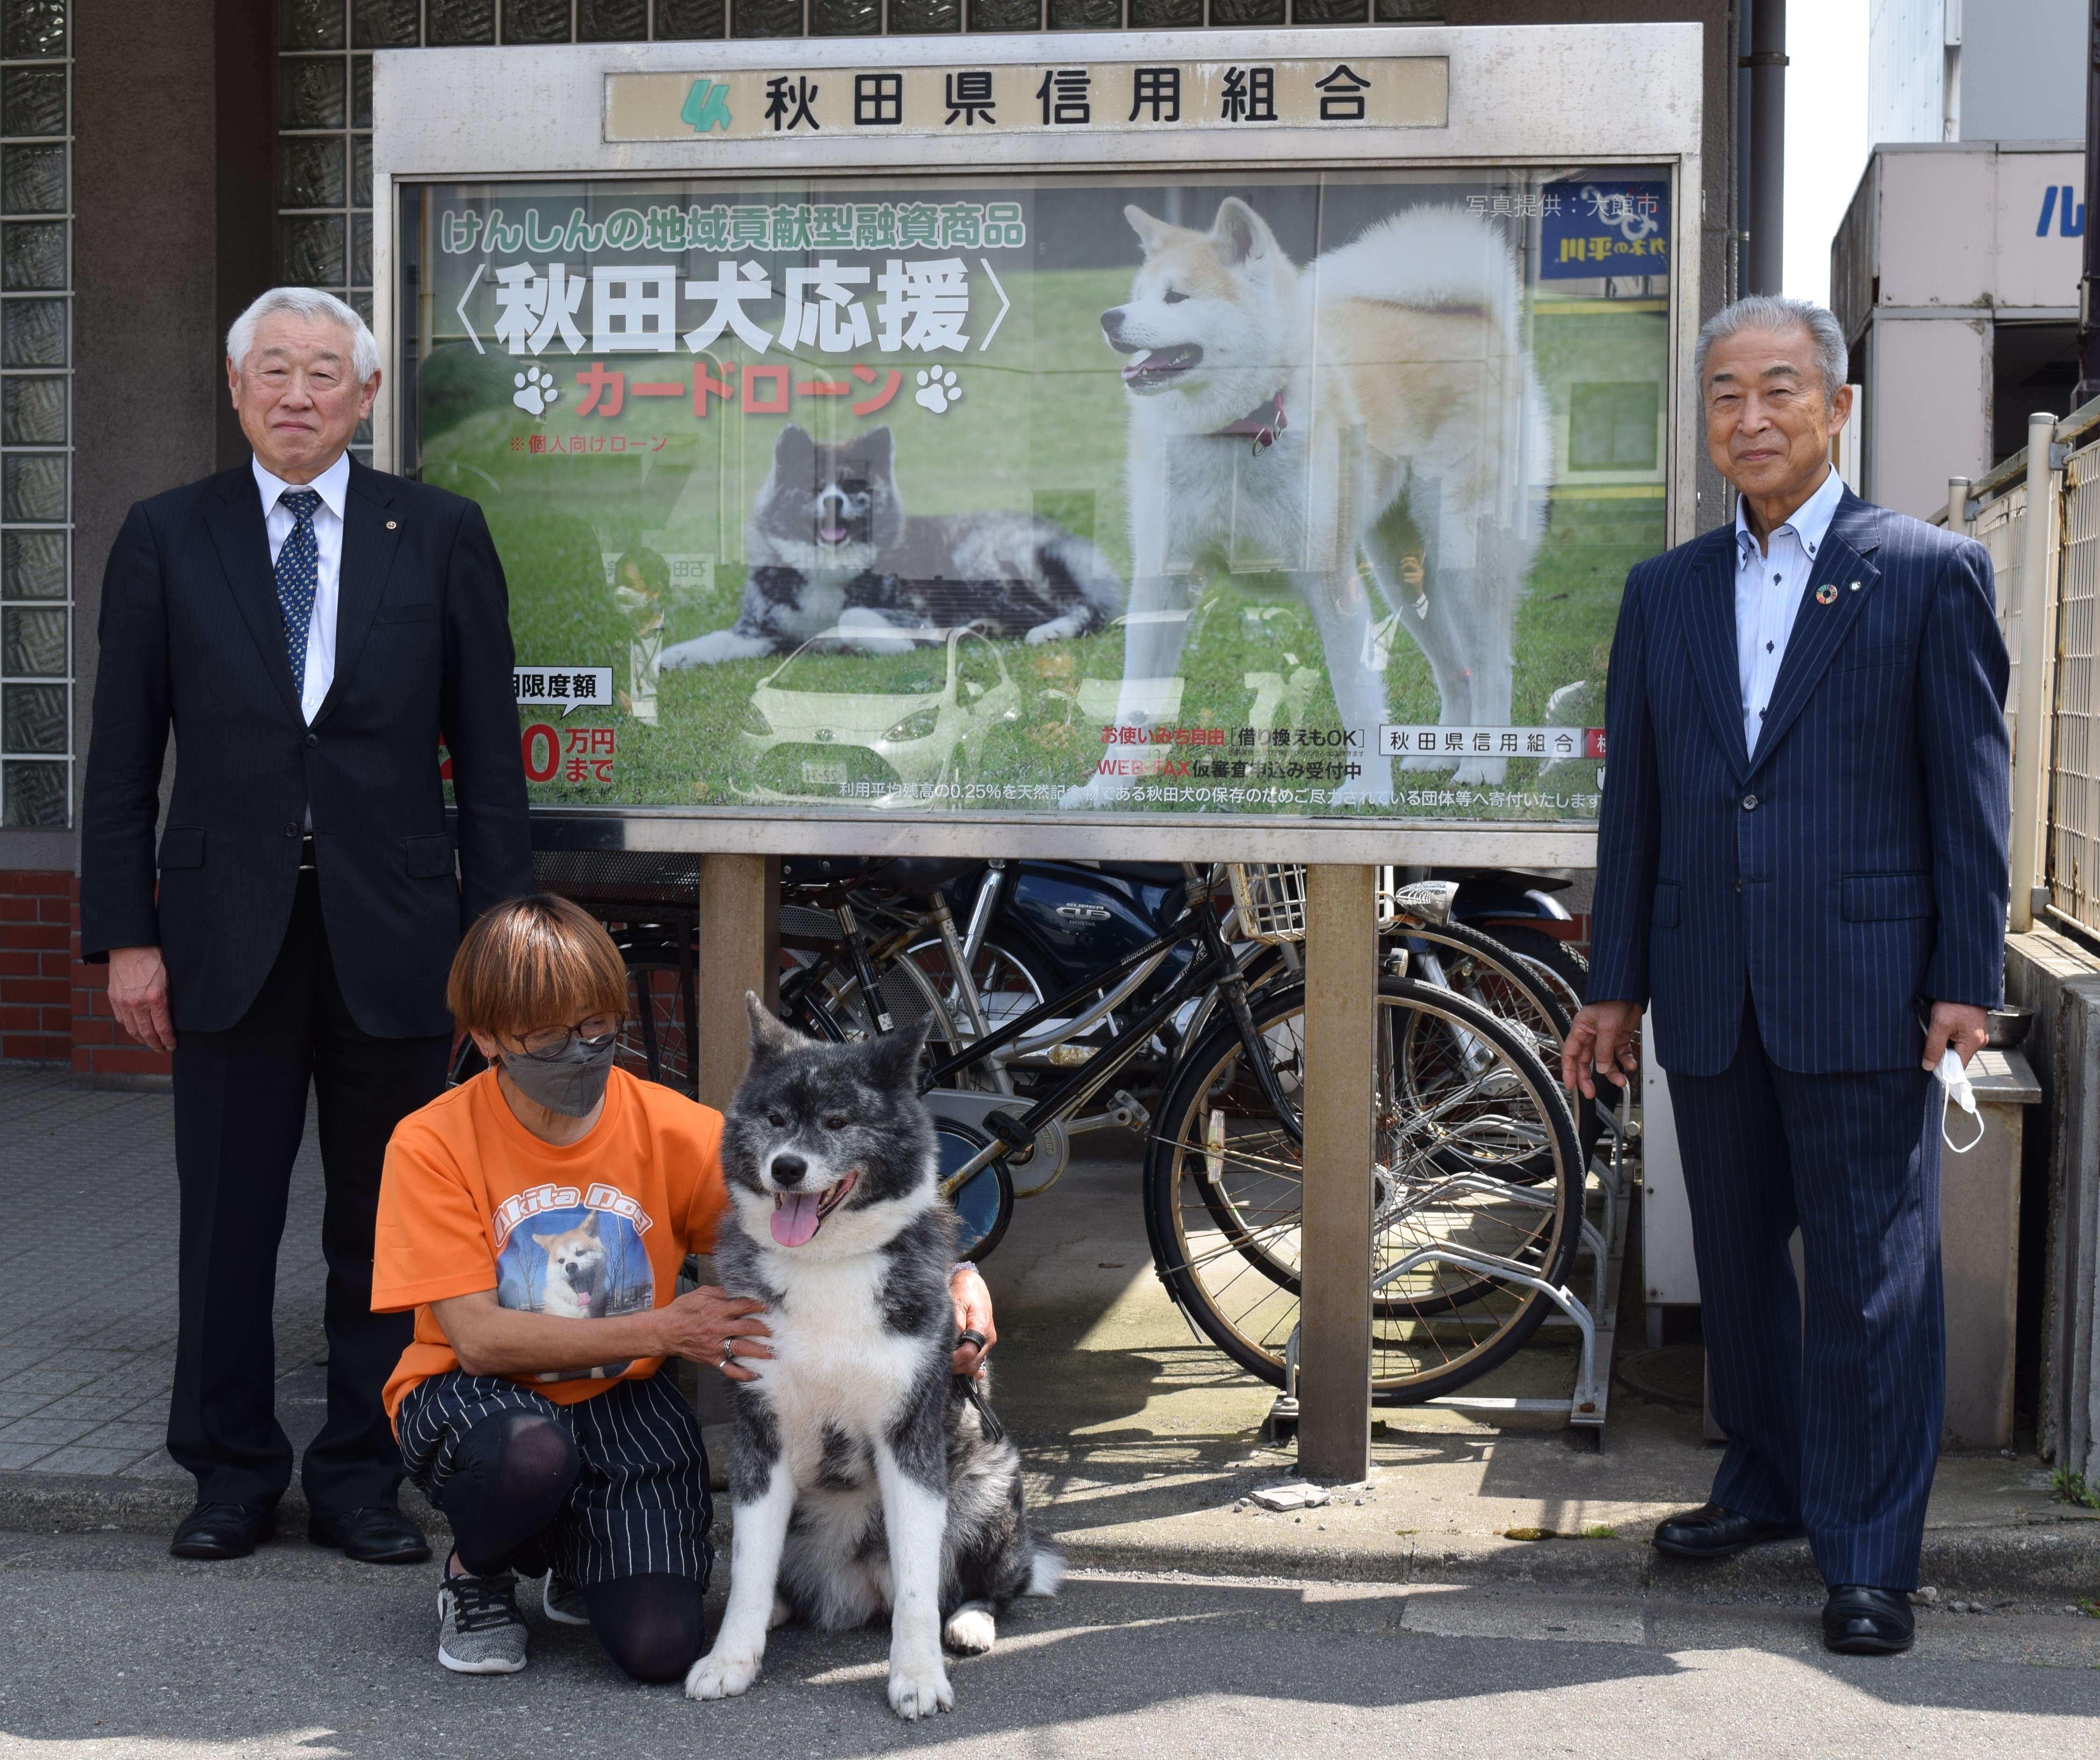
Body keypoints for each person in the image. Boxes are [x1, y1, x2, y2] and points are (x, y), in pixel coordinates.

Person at [1565, 295, 2010, 1656]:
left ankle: (1869, 1549)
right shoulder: (1666, 590)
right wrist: (1613, 978)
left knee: (1875, 1275)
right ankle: (1760, 1479)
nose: (1747, 418)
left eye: (1774, 390)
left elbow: (1969, 793)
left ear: (1835, 406)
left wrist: (1962, 971)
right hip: (1707, 978)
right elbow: (1633, 804)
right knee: (1740, 1262)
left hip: (1868, 980)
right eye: (1722, 395)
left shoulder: (1925, 571)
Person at [79, 287, 534, 1565]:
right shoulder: (167, 535)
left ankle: (360, 1474)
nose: (297, 392)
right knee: (224, 1216)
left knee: (383, 1222)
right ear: (235, 390)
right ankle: (228, 1471)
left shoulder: (438, 533)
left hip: (400, 935)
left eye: (324, 372)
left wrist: (499, 955)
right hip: (223, 930)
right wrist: (127, 932)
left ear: (366, 396)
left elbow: (489, 766)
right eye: (273, 369)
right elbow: (121, 761)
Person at [373, 894, 1000, 1681]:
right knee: (526, 1459)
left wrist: (958, 1275)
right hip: (478, 1395)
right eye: (549, 1034)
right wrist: (664, 1332)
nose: (580, 1048)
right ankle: (477, 1573)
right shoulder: (431, 1141)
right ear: (490, 1037)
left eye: (598, 1023)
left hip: (620, 1398)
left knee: (662, 1645)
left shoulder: (672, 1125)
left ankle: (584, 1553)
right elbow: (476, 1336)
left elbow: (819, 1221)